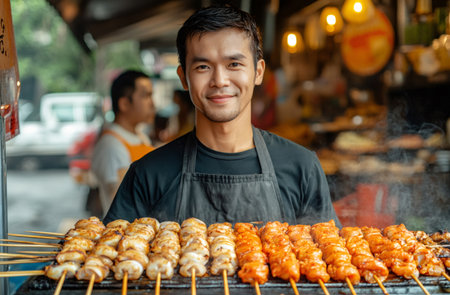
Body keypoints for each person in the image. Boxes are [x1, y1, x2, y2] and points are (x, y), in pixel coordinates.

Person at [103, 6, 339, 226]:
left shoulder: (301, 168)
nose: (220, 81)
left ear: (258, 72)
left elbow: (328, 261)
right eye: (203, 67)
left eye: (234, 64)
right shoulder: (148, 175)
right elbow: (112, 260)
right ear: (184, 78)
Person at [91, 70, 155, 216]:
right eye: (146, 96)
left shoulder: (141, 137)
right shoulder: (111, 144)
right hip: (126, 232)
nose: (153, 103)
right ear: (125, 103)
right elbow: (119, 199)